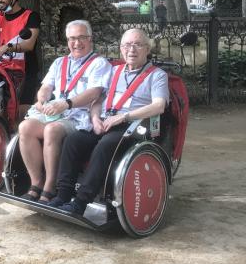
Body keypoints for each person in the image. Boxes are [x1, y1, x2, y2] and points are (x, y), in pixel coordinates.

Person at [49, 28, 168, 215]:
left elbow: (159, 106)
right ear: (121, 48)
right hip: (104, 121)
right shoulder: (114, 71)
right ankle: (63, 194)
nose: (132, 49)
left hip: (132, 126)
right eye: (127, 45)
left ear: (147, 49)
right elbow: (97, 100)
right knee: (74, 140)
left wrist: (124, 116)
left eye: (137, 44)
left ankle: (80, 202)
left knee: (105, 145)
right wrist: (95, 118)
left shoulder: (157, 75)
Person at [16, 20, 111, 203]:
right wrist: (42, 99)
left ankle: (50, 187)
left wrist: (66, 104)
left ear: (90, 39)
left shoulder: (99, 63)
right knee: (25, 127)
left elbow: (94, 92)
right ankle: (36, 183)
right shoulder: (60, 62)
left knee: (52, 129)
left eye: (82, 37)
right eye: (72, 38)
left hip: (80, 115)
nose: (77, 43)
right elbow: (46, 86)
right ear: (67, 41)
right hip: (55, 111)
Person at [0, 0, 40, 110]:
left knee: (22, 109)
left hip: (26, 69)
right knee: (1, 106)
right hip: (4, 68)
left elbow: (29, 45)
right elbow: (0, 41)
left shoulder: (31, 16)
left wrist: (7, 47)